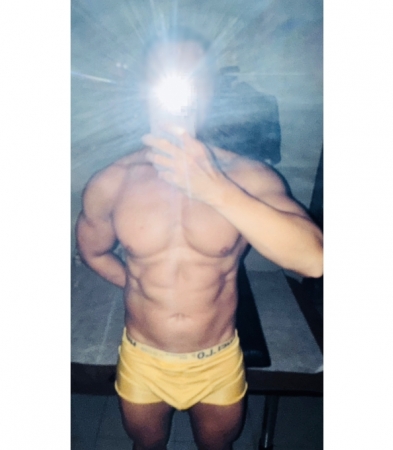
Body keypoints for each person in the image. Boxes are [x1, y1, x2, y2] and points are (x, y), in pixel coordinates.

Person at [76, 28, 323, 450]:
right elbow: (93, 252)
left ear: (210, 91)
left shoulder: (247, 177)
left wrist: (215, 190)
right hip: (142, 358)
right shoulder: (112, 181)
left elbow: (314, 260)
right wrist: (139, 284)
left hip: (218, 360)